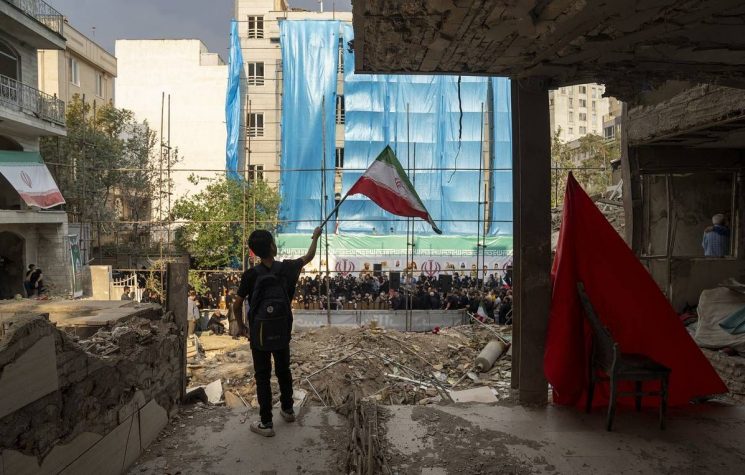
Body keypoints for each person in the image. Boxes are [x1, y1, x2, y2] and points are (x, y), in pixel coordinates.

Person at [233, 226, 321, 437]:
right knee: (284, 370)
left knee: (262, 376)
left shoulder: (250, 275)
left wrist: (242, 326)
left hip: (259, 333)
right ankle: (288, 410)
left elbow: (236, 305)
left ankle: (266, 423)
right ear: (273, 247)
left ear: (255, 252)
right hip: (282, 330)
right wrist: (315, 236)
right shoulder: (287, 268)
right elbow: (309, 256)